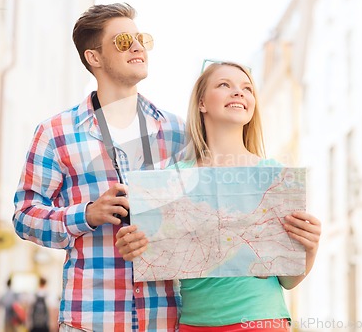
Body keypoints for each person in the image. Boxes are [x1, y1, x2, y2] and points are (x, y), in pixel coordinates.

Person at [12, 2, 186, 331]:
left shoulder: (178, 133)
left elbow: (200, 214)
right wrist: (87, 214)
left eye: (140, 39)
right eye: (122, 41)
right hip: (91, 320)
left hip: (166, 318)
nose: (137, 47)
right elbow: (24, 216)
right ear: (94, 57)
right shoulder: (55, 133)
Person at [116, 61, 322, 331]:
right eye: (225, 85)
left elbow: (288, 280)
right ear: (202, 103)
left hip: (261, 322)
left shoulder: (275, 176)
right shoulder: (171, 179)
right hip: (195, 324)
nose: (239, 92)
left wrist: (310, 249)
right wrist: (132, 246)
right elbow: (154, 255)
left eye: (247, 88)